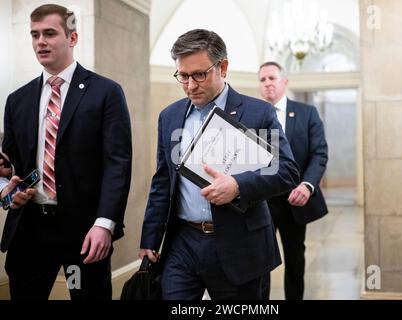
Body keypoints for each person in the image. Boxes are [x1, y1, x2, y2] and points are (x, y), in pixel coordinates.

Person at [139, 29, 300, 300]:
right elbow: (163, 180)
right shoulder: (170, 116)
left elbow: (286, 170)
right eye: (183, 76)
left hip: (239, 245)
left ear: (222, 67)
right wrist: (150, 238)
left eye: (199, 75)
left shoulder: (258, 113)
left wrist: (238, 185)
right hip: (182, 244)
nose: (190, 85)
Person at [0, 4, 132, 300]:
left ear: (72, 38)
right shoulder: (17, 99)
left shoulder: (105, 92)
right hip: (30, 229)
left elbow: (118, 165)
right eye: (34, 35)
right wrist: (5, 189)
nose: (40, 42)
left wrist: (104, 224)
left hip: (84, 231)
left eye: (49, 33)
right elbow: (8, 165)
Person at [258, 61, 328, 300]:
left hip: (295, 200)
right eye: (262, 79)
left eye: (272, 78)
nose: (267, 84)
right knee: (260, 263)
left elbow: (319, 153)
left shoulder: (306, 113)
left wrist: (307, 185)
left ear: (284, 82)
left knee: (295, 260)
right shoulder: (252, 114)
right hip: (262, 202)